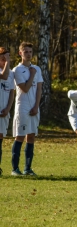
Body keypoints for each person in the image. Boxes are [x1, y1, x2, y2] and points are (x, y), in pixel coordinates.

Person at [12, 42, 43, 176]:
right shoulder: (17, 70)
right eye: (26, 52)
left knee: (31, 136)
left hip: (34, 108)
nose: (29, 54)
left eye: (30, 52)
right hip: (22, 108)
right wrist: (31, 75)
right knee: (20, 136)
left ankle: (27, 168)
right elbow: (24, 88)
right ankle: (15, 169)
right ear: (20, 53)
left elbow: (39, 88)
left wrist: (36, 105)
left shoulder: (37, 68)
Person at [0, 47, 14, 175]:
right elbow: (3, 76)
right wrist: (8, 62)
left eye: (7, 58)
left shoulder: (11, 74)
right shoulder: (5, 72)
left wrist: (8, 108)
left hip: (4, 111)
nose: (5, 60)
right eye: (3, 58)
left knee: (0, 138)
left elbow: (11, 93)